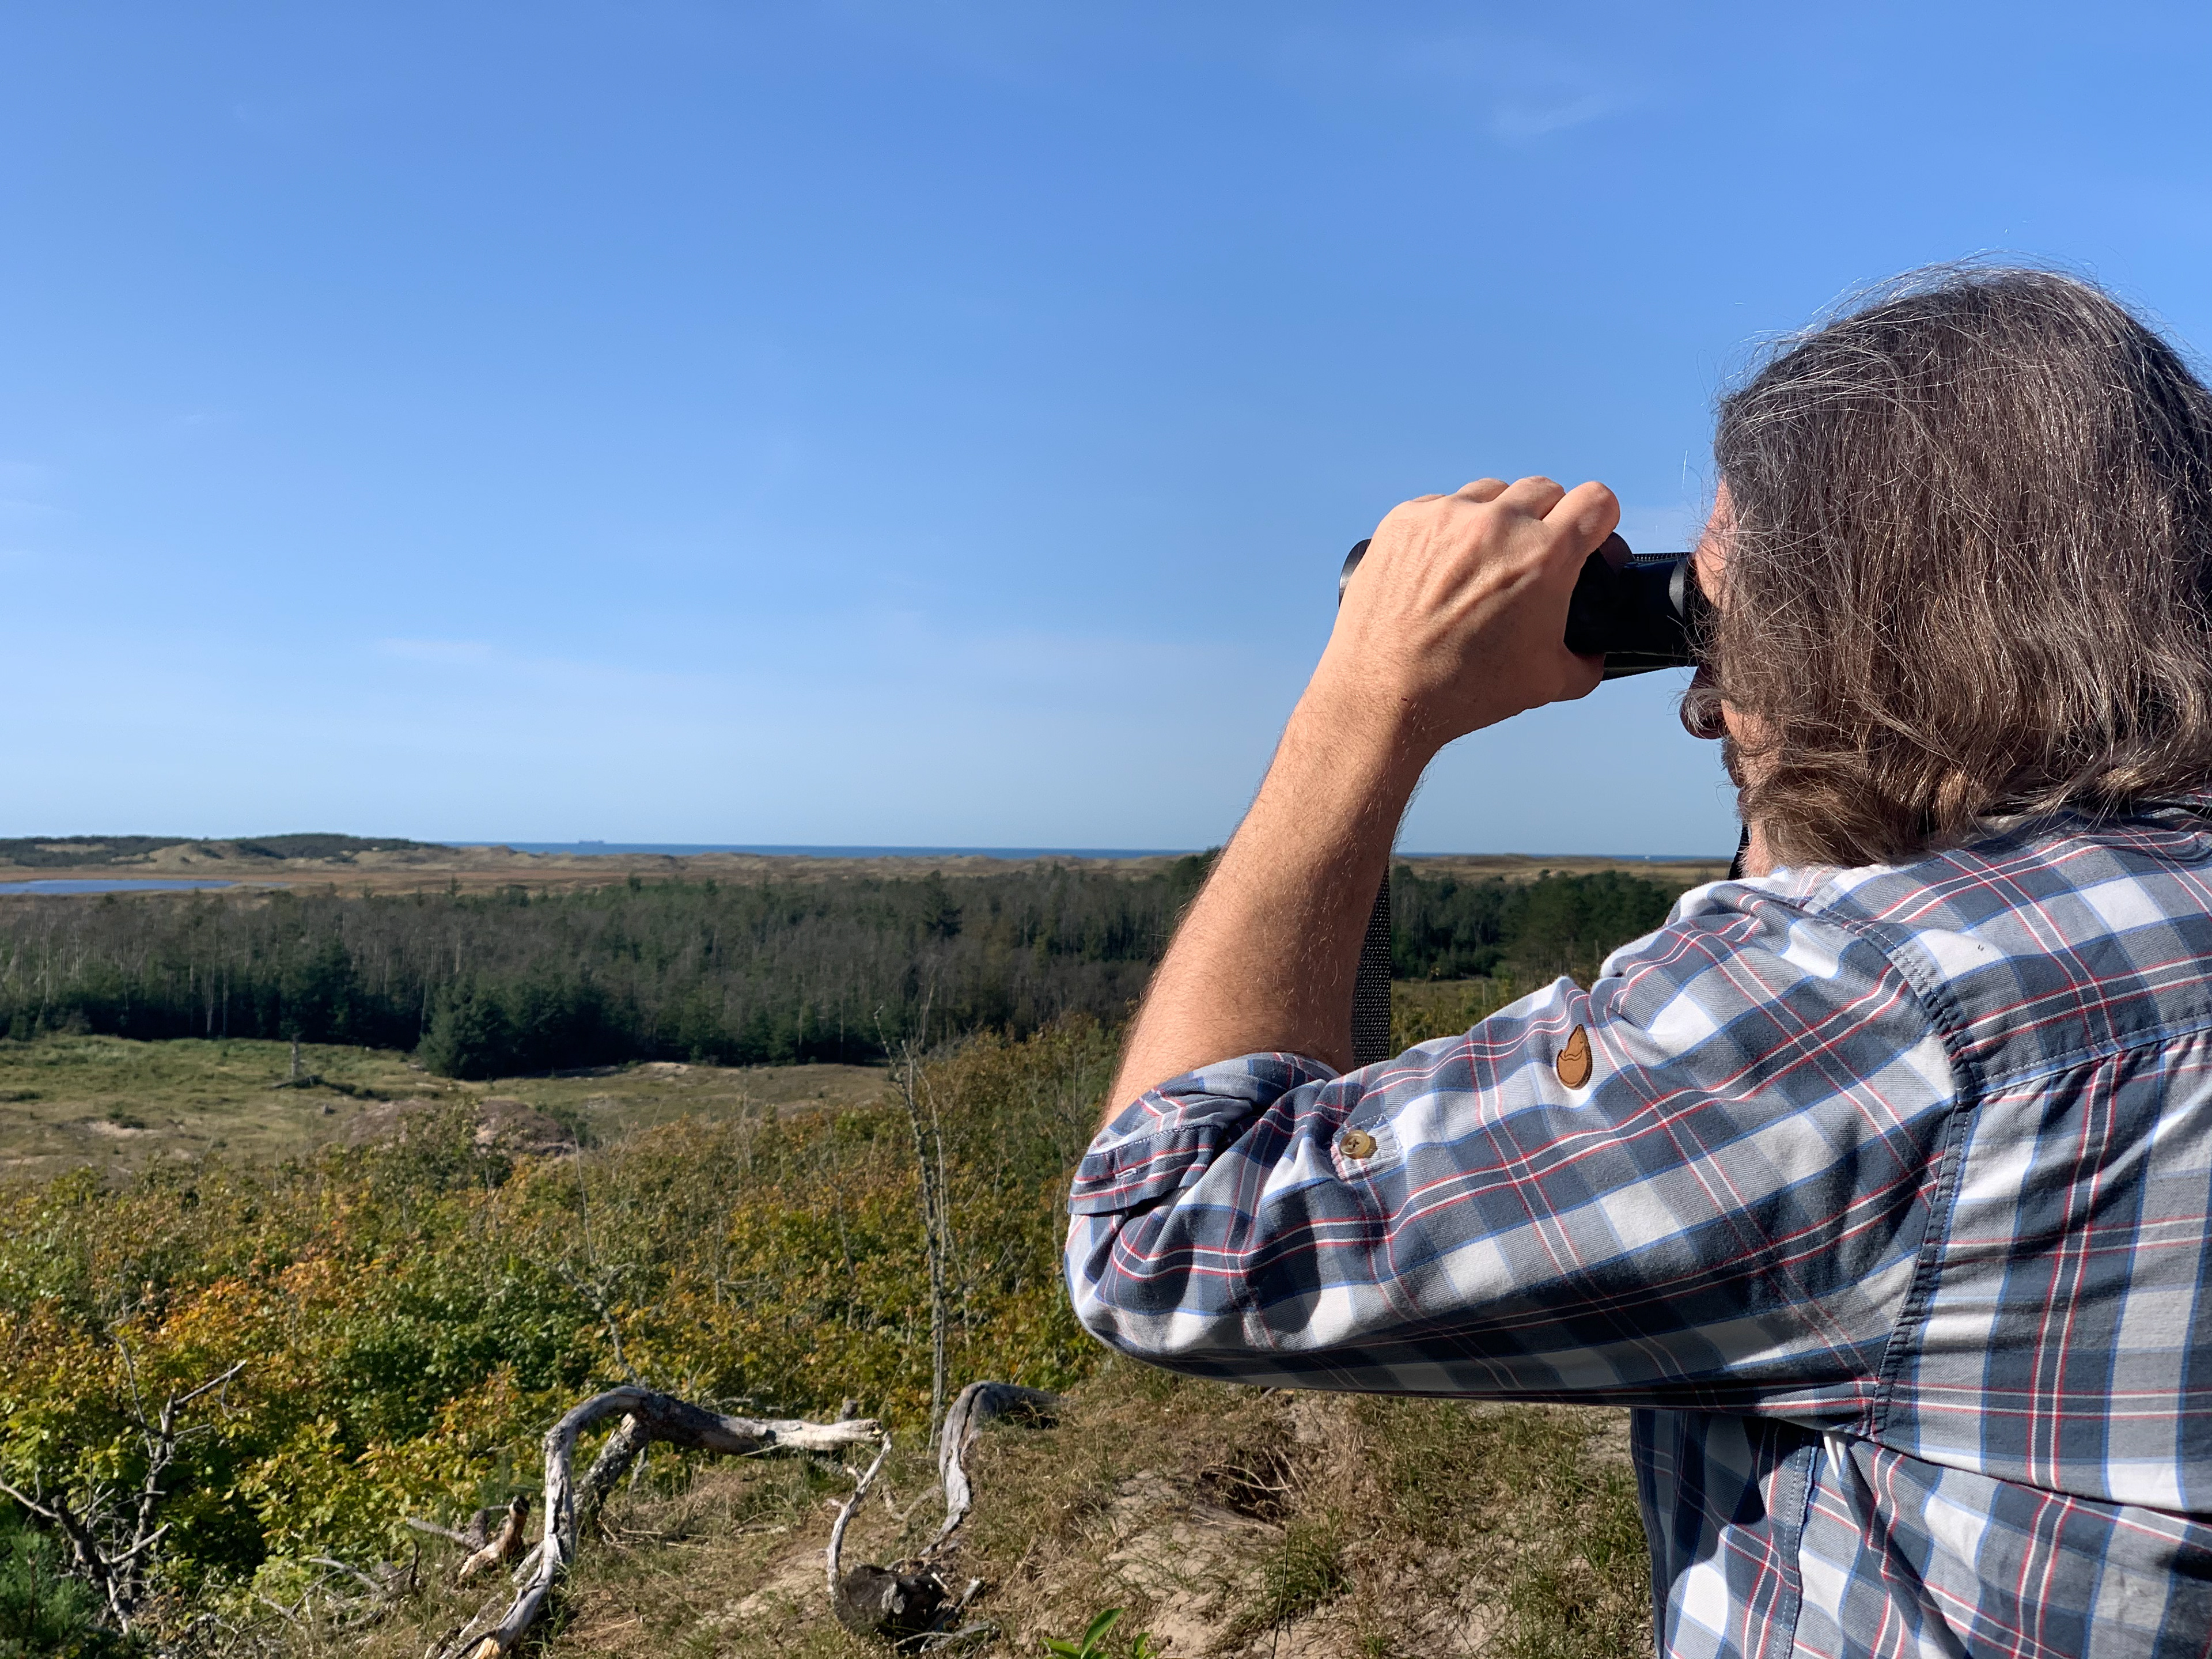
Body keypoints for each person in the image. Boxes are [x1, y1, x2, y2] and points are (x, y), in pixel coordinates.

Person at [1065, 267, 2212, 1658]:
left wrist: (1368, 697)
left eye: (1724, 627)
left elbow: (1166, 1232)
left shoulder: (1887, 1014)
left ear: (1860, 638)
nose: (1705, 704)